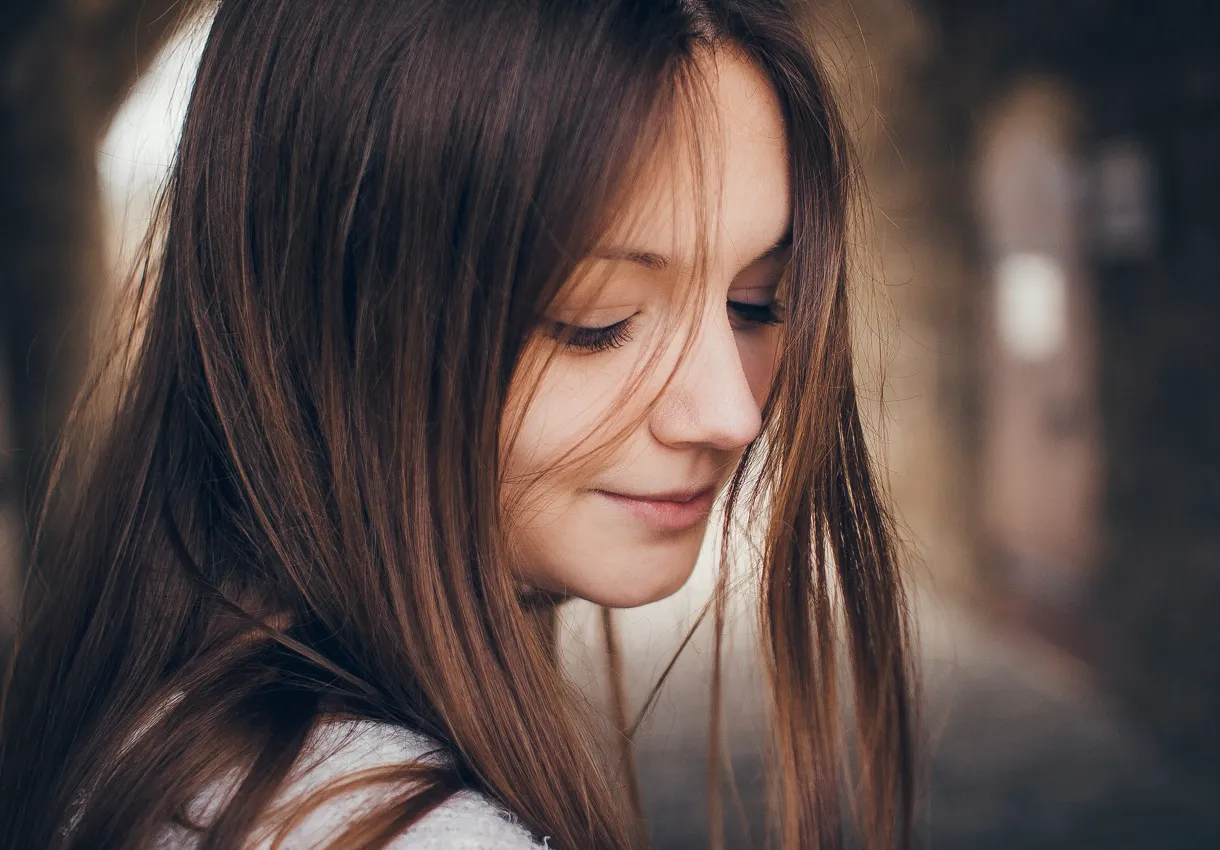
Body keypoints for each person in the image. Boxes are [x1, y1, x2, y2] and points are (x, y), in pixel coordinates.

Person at [0, 0, 915, 847]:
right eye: (596, 319)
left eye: (757, 302)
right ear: (330, 312)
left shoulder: (166, 728)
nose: (734, 413)